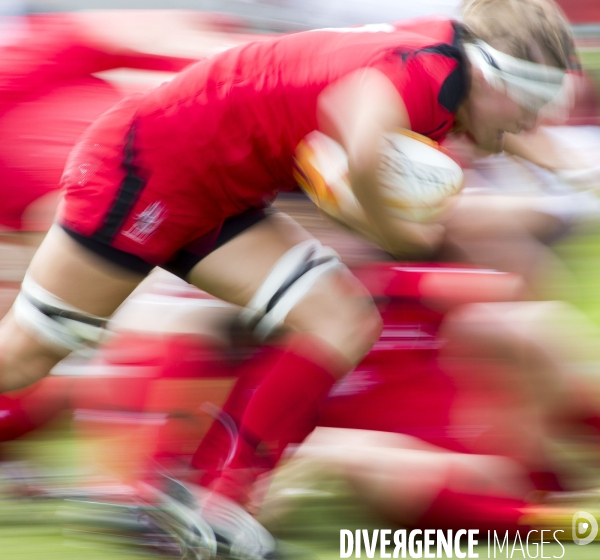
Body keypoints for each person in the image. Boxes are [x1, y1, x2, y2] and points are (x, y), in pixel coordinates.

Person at [0, 0, 576, 557]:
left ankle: (213, 498)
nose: (532, 120)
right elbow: (355, 120)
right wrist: (392, 227)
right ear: (495, 77)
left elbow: (465, 126)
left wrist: (571, 169)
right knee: (25, 355)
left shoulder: (453, 60)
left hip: (211, 186)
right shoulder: (424, 74)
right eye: (533, 100)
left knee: (339, 319)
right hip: (148, 170)